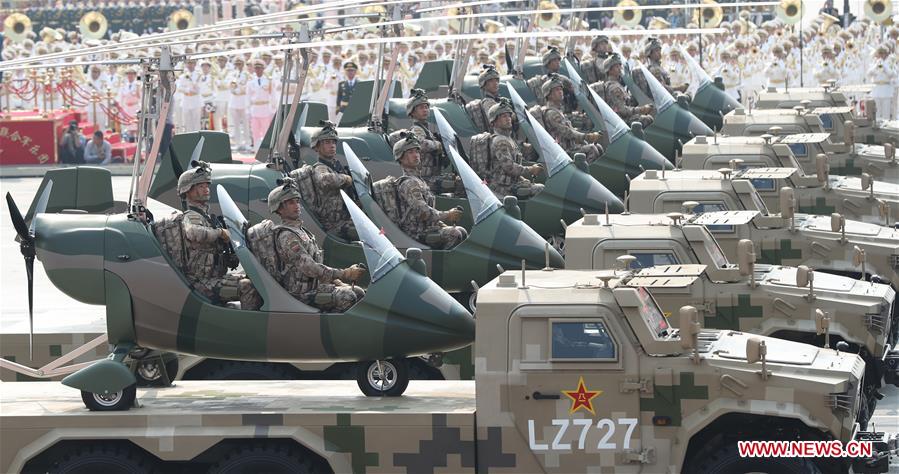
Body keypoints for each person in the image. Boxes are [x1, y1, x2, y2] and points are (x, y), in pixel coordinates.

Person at [246, 180, 366, 312]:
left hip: (314, 287)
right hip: (300, 294)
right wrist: (345, 273)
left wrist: (337, 281)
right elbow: (309, 267)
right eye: (291, 203)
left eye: (297, 201)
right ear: (279, 208)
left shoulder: (302, 231)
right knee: (347, 297)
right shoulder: (286, 236)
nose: (297, 205)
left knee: (358, 292)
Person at [176, 164, 259, 308]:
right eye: (200, 186)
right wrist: (220, 233)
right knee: (248, 287)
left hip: (214, 277)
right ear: (187, 190)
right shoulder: (191, 216)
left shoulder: (208, 217)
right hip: (202, 282)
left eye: (207, 185)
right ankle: (250, 326)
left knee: (258, 281)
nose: (206, 189)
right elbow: (193, 232)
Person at [391, 135, 467, 249]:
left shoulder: (419, 180)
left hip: (426, 230)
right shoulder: (409, 183)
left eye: (417, 151)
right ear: (401, 157)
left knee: (461, 231)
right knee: (455, 234)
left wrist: (442, 224)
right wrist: (448, 214)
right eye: (410, 152)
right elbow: (423, 212)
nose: (416, 155)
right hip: (416, 234)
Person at [289, 122, 357, 240]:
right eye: (327, 142)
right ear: (317, 147)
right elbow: (324, 180)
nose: (332, 146)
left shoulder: (336, 166)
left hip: (346, 219)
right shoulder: (320, 167)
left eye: (333, 142)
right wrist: (345, 178)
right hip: (336, 225)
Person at [470, 99, 544, 199]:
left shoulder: (508, 139)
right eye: (503, 116)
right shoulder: (500, 141)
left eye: (509, 116)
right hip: (501, 188)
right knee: (540, 189)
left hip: (509, 184)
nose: (508, 119)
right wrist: (531, 169)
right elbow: (509, 167)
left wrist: (523, 179)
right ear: (494, 121)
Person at [539, 76, 603, 163]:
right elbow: (567, 132)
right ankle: (584, 173)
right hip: (564, 151)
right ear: (549, 94)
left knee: (598, 147)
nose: (561, 92)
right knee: (592, 149)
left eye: (561, 89)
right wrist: (587, 137)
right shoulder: (552, 113)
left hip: (570, 147)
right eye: (557, 90)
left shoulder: (557, 110)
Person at [594, 54, 654, 129]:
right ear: (609, 70)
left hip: (622, 119)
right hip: (621, 121)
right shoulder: (614, 87)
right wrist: (642, 109)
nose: (619, 69)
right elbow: (622, 110)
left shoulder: (617, 84)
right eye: (616, 67)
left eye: (620, 66)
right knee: (647, 119)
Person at [406, 89, 447, 189]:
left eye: (426, 107)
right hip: (425, 179)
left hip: (432, 177)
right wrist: (438, 145)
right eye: (421, 108)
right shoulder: (417, 129)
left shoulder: (426, 130)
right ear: (413, 112)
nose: (425, 110)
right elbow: (421, 144)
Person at [464, 65, 502, 133]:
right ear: (484, 85)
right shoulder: (488, 102)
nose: (495, 83)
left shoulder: (497, 100)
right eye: (490, 81)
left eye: (496, 80)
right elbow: (498, 122)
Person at [247, 59, 273, 149]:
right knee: (255, 132)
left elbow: (273, 95)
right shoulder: (251, 81)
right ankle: (257, 150)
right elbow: (248, 97)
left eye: (260, 68)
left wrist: (273, 108)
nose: (258, 70)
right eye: (256, 68)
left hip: (265, 108)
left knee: (266, 131)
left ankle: (266, 151)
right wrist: (247, 110)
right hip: (254, 109)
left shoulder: (268, 81)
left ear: (263, 69)